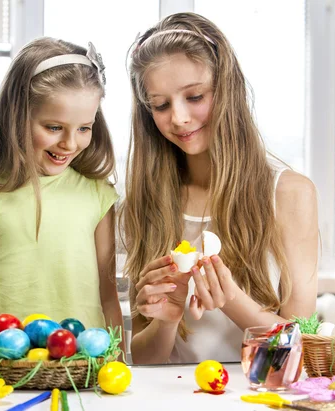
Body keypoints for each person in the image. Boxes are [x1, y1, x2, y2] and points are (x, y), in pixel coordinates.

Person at [120, 12, 318, 364]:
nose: (178, 118)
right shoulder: (144, 202)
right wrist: (166, 322)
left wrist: (232, 301)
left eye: (194, 96)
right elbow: (143, 362)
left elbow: (301, 350)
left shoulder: (290, 194)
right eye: (161, 105)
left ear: (228, 91)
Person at [0, 38, 124, 344]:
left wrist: (118, 363)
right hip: (3, 377)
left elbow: (107, 297)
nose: (70, 143)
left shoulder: (98, 194)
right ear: (16, 115)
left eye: (84, 128)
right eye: (53, 127)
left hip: (86, 378)